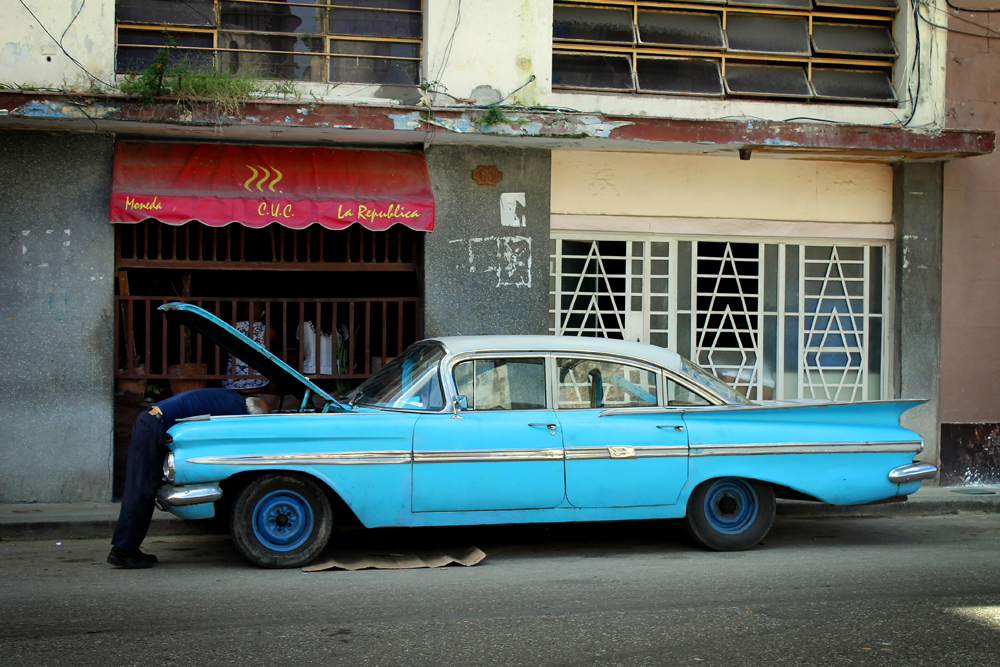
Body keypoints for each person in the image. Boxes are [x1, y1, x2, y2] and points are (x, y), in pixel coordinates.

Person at [108, 388, 269, 569]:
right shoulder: (236, 411)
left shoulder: (229, 396)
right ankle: (123, 551)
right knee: (142, 489)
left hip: (149, 420)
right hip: (153, 426)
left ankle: (128, 547)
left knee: (139, 486)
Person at [222, 302, 274, 392]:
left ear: (247, 310)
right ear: (262, 313)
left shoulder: (231, 326)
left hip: (232, 383)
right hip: (259, 382)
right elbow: (275, 345)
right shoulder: (268, 330)